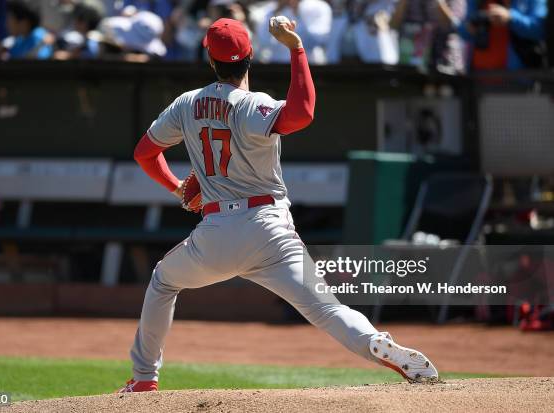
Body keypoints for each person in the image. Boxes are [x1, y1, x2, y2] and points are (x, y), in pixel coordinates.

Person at [118, 17, 439, 393]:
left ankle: (144, 379)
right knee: (327, 310)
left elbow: (145, 153)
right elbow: (303, 112)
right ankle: (373, 341)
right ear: (250, 57)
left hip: (216, 231)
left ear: (210, 60)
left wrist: (176, 188)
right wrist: (296, 48)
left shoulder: (186, 103)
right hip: (270, 227)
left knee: (163, 281)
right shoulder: (255, 105)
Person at [459, 0, 547, 70]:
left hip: (518, 79)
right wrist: (470, 27)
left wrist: (510, 17)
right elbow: (462, 31)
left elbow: (542, 29)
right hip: (479, 77)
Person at [390, 0, 467, 74]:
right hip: (409, 62)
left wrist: (438, 3)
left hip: (444, 63)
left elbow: (453, 26)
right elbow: (393, 25)